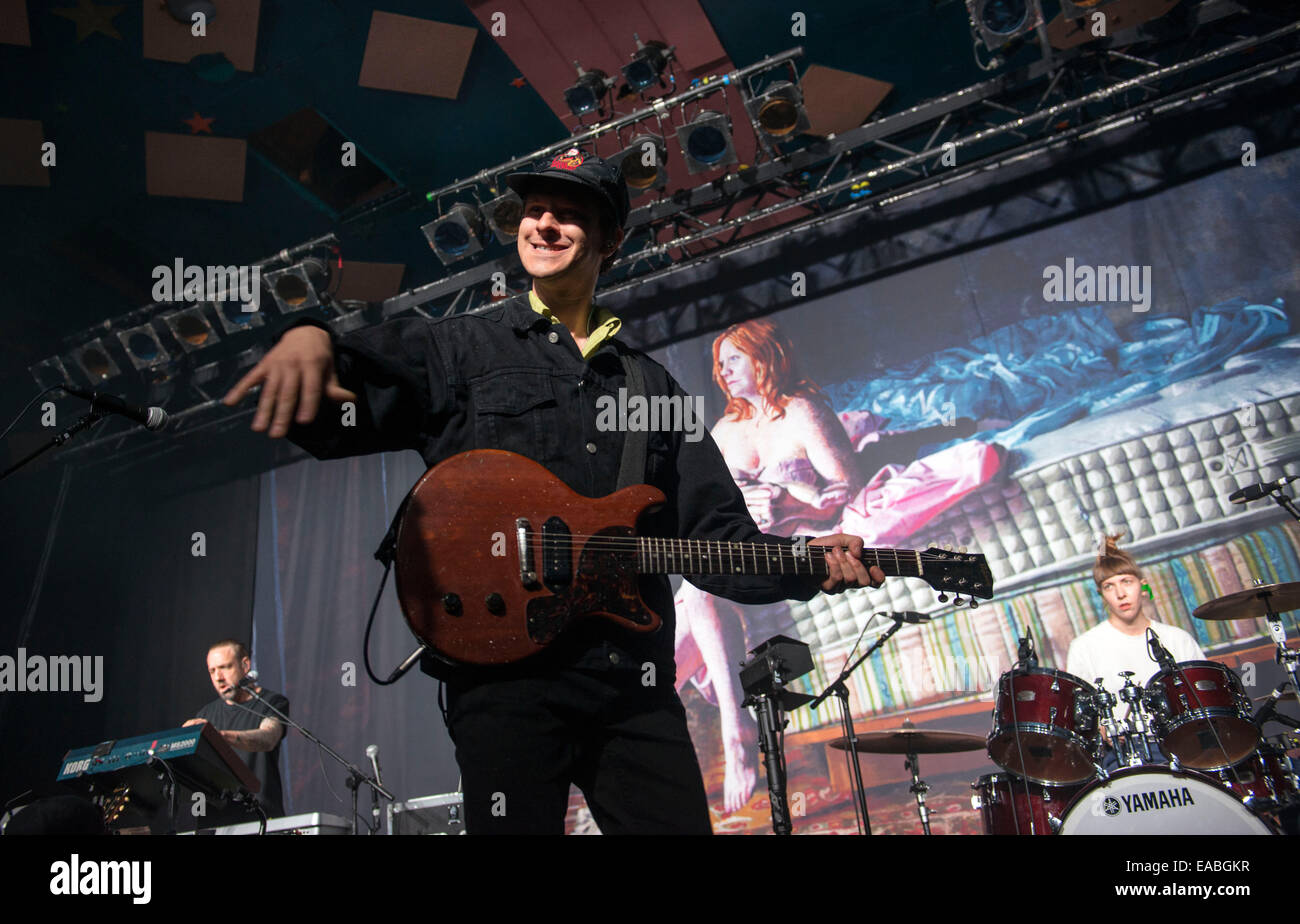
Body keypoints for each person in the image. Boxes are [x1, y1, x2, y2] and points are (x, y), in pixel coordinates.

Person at [221, 147, 884, 834]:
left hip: (631, 684)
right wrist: (308, 337)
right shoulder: (462, 347)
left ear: (610, 240)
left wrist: (808, 564)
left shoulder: (652, 388)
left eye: (569, 214)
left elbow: (715, 541)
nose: (543, 224)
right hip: (503, 681)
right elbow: (339, 406)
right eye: (534, 211)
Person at [1066, 535, 1204, 765]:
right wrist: (1100, 728)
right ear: (1102, 595)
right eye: (1109, 586)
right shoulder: (1083, 647)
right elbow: (1081, 719)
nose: (1120, 594)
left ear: (1143, 585)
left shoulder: (1177, 639)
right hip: (1120, 754)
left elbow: (1203, 698)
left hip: (1181, 747)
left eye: (1126, 581)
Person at [183, 639, 289, 821]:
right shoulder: (205, 714)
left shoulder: (272, 702)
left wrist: (215, 736)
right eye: (212, 671)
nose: (218, 677)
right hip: (218, 821)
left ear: (245, 665)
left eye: (225, 667)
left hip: (261, 817)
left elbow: (268, 738)